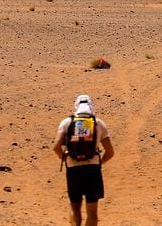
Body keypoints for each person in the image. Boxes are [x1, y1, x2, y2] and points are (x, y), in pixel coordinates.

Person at [53, 95, 114, 226]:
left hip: (73, 169)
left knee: (75, 208)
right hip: (92, 170)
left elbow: (56, 147)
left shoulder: (67, 122)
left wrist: (64, 159)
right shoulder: (98, 123)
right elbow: (110, 152)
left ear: (76, 107)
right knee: (92, 212)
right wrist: (99, 163)